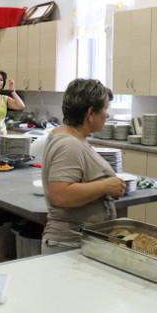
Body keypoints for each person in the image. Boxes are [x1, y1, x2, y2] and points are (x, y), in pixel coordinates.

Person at [41, 79, 126, 254]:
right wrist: (105, 186)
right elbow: (60, 195)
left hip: (80, 242)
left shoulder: (71, 136)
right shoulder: (69, 144)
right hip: (69, 245)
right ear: (90, 113)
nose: (107, 115)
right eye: (105, 109)